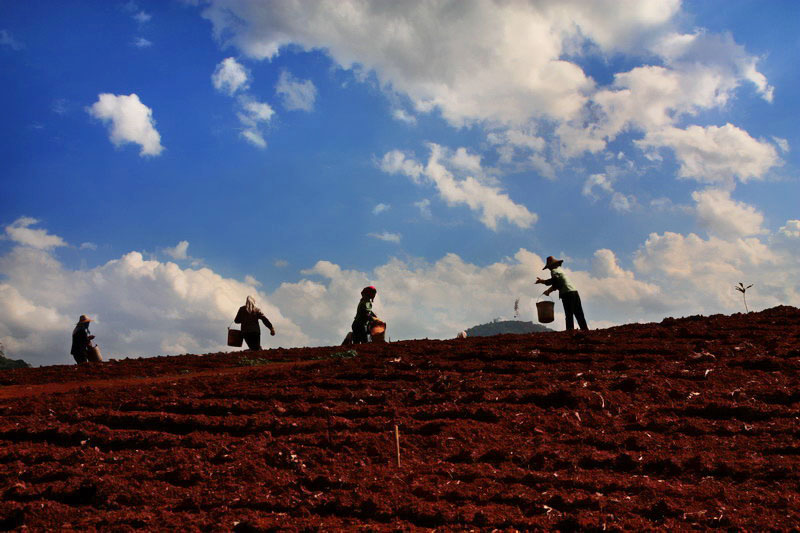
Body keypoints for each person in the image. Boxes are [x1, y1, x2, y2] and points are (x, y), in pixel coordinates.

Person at [536, 256, 589, 331]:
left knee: (569, 314)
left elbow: (555, 282)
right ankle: (585, 330)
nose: (549, 269)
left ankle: (570, 331)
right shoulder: (560, 270)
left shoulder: (554, 271)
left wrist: (543, 282)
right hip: (574, 292)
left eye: (549, 267)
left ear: (552, 266)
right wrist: (548, 290)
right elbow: (557, 283)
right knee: (579, 313)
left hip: (566, 294)